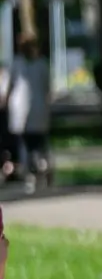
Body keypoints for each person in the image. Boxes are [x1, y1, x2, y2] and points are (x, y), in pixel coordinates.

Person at [0, 38, 51, 193]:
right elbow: (47, 88)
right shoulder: (42, 64)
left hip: (20, 111)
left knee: (25, 145)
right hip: (39, 110)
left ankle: (30, 175)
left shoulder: (17, 64)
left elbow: (8, 87)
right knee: (39, 143)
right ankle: (42, 167)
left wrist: (4, 103)